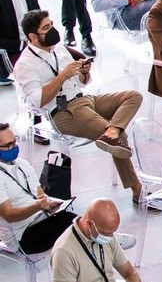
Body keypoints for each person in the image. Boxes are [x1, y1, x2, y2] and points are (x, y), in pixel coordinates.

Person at [13, 11, 145, 203]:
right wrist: (62, 76)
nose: (52, 30)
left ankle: (112, 130)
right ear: (32, 36)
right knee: (119, 138)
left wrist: (84, 73)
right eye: (46, 28)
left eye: (51, 24)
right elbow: (37, 101)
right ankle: (137, 191)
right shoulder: (25, 64)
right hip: (63, 112)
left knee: (133, 96)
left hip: (84, 99)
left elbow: (81, 83)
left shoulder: (58, 48)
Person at [0, 122, 75, 254]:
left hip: (42, 218)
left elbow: (40, 194)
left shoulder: (22, 164)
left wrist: (48, 202)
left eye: (15, 142)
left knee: (80, 224)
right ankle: (110, 241)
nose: (14, 147)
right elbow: (9, 215)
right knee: (76, 225)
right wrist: (37, 206)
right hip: (22, 234)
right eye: (8, 145)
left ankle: (109, 241)